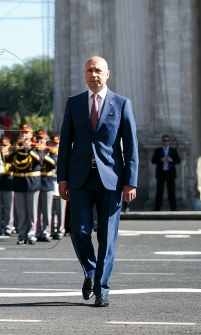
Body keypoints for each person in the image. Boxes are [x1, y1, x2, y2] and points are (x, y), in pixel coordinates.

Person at [57, 56, 138, 308]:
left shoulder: (121, 104)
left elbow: (132, 145)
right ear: (85, 74)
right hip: (80, 178)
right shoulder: (74, 103)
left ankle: (102, 288)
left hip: (111, 180)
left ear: (108, 74)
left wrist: (130, 182)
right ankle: (91, 272)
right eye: (90, 70)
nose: (94, 74)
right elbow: (64, 144)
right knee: (79, 231)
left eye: (98, 71)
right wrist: (62, 177)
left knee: (107, 235)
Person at [7, 124, 42, 245]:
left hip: (32, 183)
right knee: (21, 211)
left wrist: (29, 149)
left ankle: (31, 234)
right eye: (22, 133)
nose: (23, 135)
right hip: (19, 183)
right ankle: (21, 235)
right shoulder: (17, 147)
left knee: (32, 211)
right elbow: (7, 160)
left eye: (26, 133)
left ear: (31, 134)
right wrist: (16, 150)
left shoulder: (36, 147)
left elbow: (40, 160)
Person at [151, 134, 181, 211]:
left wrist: (171, 160)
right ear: (162, 141)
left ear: (169, 142)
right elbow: (153, 160)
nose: (166, 142)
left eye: (167, 140)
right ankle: (157, 207)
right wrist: (160, 160)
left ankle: (173, 207)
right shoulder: (158, 150)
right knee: (159, 191)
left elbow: (178, 160)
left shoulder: (173, 150)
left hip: (170, 172)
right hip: (161, 172)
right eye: (164, 140)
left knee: (171, 190)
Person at [0, 136, 14, 236]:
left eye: (5, 146)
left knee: (8, 208)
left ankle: (8, 227)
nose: (3, 148)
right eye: (1, 146)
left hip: (9, 185)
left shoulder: (12, 156)